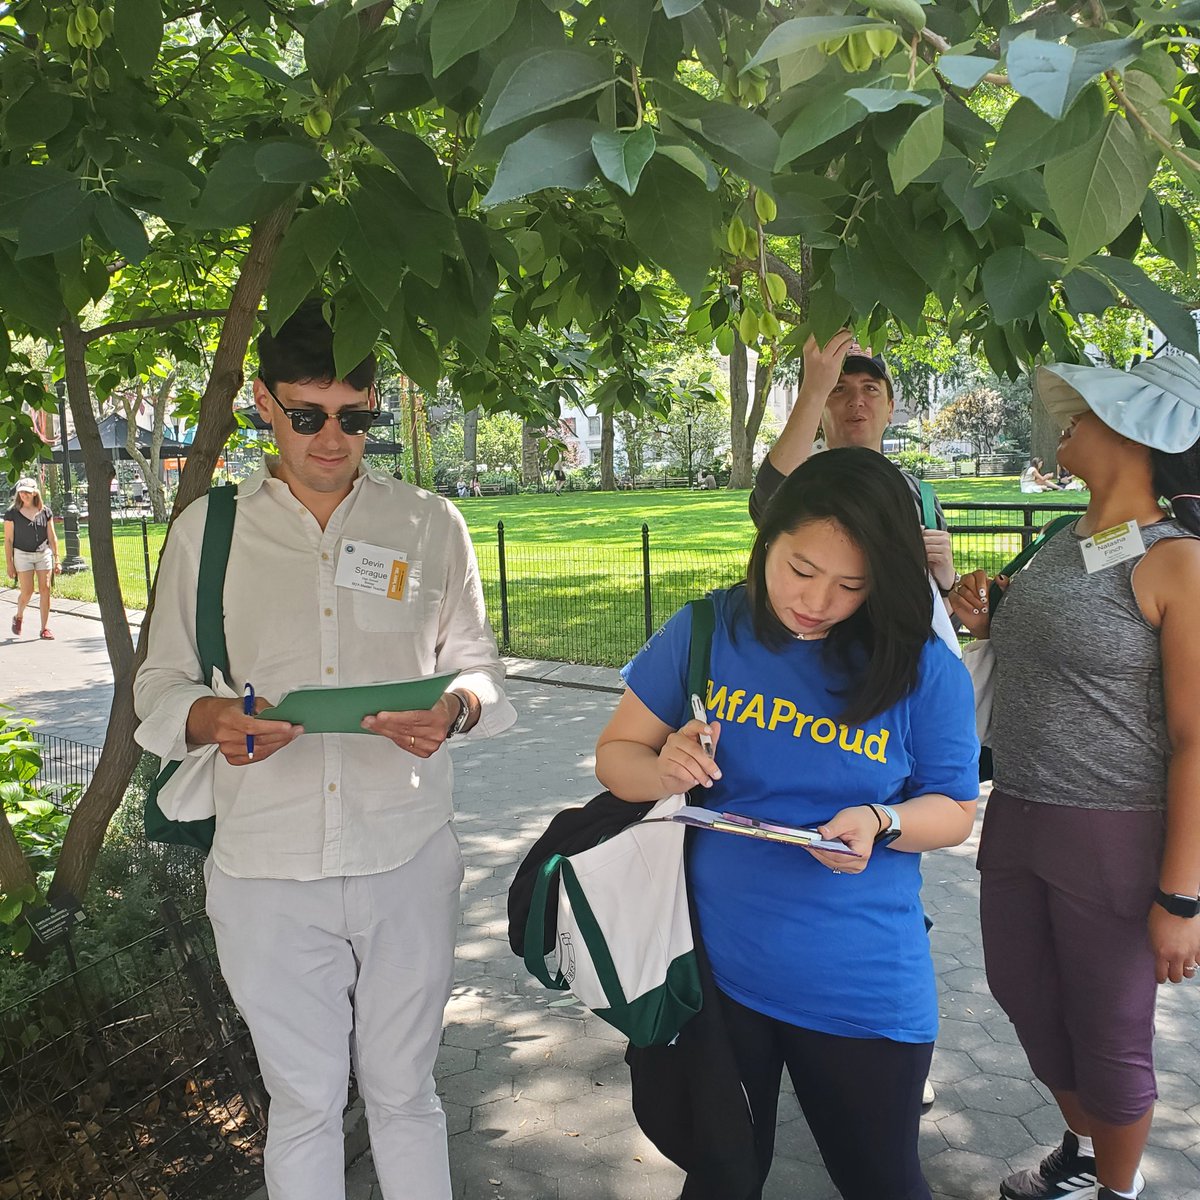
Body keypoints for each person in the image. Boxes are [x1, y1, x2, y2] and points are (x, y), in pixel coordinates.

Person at [133, 300, 517, 1200]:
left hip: (406, 847)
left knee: (404, 1090)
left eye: (354, 416)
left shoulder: (429, 524)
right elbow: (160, 684)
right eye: (307, 415)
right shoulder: (209, 532)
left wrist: (457, 708)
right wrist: (211, 721)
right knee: (303, 1101)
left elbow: (481, 669)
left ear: (375, 407)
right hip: (265, 859)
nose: (331, 438)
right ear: (265, 404)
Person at [597, 448, 981, 1200]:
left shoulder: (920, 666)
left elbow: (955, 810)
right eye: (800, 570)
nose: (816, 601)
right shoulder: (707, 629)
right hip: (714, 969)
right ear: (766, 539)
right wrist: (666, 766)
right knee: (722, 1178)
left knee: (883, 1181)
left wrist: (882, 819)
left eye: (851, 585)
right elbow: (616, 758)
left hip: (859, 978)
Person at [949, 356, 1200, 1200]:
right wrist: (988, 619)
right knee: (1022, 992)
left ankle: (1113, 1192)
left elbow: (1196, 738)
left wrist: (1181, 897)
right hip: (1018, 811)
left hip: (1115, 835)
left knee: (1111, 1031)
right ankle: (1089, 1146)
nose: (1066, 427)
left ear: (1137, 434)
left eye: (1083, 415)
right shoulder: (1065, 538)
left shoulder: (1178, 563)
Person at [751, 330, 959, 641]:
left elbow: (940, 622)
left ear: (890, 408)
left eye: (870, 389)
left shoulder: (921, 498)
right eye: (839, 389)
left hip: (890, 666)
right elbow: (768, 497)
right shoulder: (803, 485)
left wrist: (947, 581)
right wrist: (814, 388)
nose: (856, 401)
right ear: (820, 410)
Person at [5, 477, 60, 640]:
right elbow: (8, 540)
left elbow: (52, 536)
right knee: (27, 591)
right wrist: (10, 563)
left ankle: (44, 628)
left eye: (27, 492)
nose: (24, 495)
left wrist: (57, 559)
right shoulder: (12, 513)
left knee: (45, 589)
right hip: (22, 554)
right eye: (21, 492)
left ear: (35, 493)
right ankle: (19, 615)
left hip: (43, 554)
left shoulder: (45, 511)